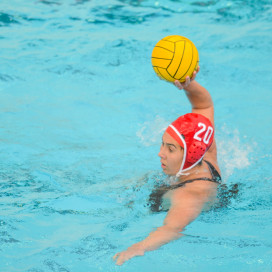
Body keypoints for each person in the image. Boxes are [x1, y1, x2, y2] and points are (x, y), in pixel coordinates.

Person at [113, 67, 221, 265]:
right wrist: (189, 85)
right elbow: (203, 106)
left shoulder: (189, 196)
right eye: (163, 143)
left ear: (189, 155)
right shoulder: (206, 149)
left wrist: (140, 246)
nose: (160, 153)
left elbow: (171, 229)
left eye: (170, 149)